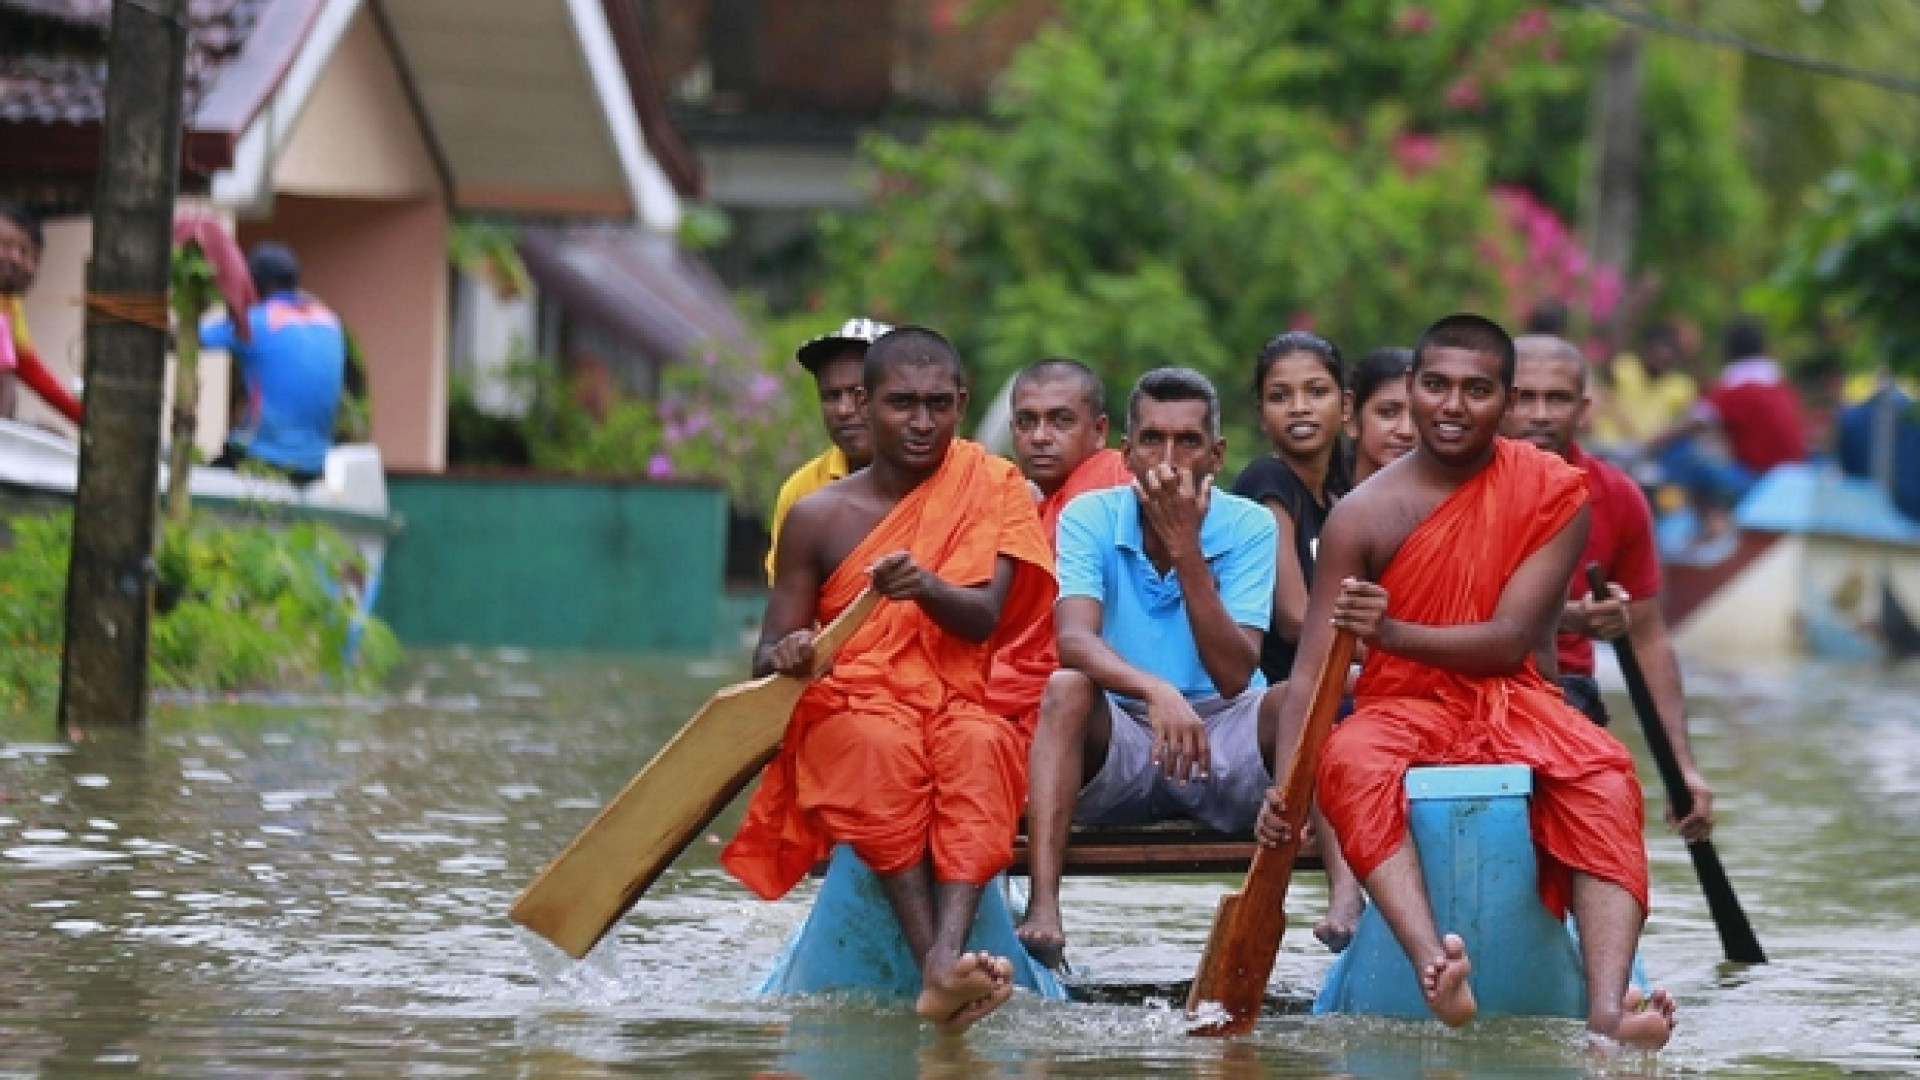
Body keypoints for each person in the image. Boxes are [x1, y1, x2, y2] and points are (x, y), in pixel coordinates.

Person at [1257, 314, 1676, 1049]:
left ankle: (1608, 1007)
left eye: (1477, 390)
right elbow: (1314, 667)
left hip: (1512, 697)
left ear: (1507, 403)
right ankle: (1432, 966)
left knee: (1607, 775)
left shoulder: (1554, 491)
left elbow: (1512, 638)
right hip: (1401, 705)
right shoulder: (1361, 515)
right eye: (1438, 386)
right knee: (1348, 760)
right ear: (1412, 390)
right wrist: (1286, 794)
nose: (1453, 406)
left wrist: (1387, 631)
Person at [723, 327, 1057, 1034]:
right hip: (855, 709)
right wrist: (790, 652)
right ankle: (935, 967)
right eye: (902, 404)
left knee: (979, 743)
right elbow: (765, 654)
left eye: (939, 404)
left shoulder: (991, 486)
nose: (923, 422)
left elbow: (983, 621)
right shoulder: (816, 516)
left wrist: (923, 586)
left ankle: (946, 953)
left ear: (962, 403)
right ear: (864, 406)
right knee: (876, 744)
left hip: (960, 699)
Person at [1017, 368, 1280, 969]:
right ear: (1126, 452)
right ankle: (1044, 908)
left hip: (1223, 732)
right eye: (1152, 441)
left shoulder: (1249, 524)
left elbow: (1237, 676)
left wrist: (1186, 547)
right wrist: (1154, 689)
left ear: (1216, 454)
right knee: (1064, 690)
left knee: (1296, 700)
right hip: (1128, 733)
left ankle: (1310, 908)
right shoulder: (1087, 516)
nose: (1169, 459)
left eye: (1187, 442)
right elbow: (1074, 642)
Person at [1504, 334, 1715, 842]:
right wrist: (1571, 617)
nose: (1538, 414)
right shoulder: (1453, 484)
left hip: (1568, 694)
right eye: (1522, 398)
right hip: (1463, 684)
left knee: (1609, 790)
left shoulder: (1618, 497)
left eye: (1555, 399)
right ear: (1497, 401)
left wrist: (1682, 769)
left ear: (1583, 410)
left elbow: (1646, 638)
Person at [1230, 332, 1364, 950]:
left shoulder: (1344, 499)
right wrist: (1381, 651)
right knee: (1330, 709)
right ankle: (1345, 894)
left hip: (1341, 678)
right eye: (1281, 396)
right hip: (1274, 702)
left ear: (1346, 404)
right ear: (1261, 413)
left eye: (1317, 391)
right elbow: (1291, 616)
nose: (1301, 407)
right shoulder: (1268, 481)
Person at [986, 359, 1132, 733]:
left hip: (1094, 690)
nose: (1040, 436)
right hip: (1017, 681)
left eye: (1060, 421)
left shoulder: (1113, 481)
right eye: (1026, 422)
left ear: (1099, 431)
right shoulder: (1016, 503)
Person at [201, 244, 345, 485]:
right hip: (315, 464)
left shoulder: (257, 322)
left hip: (261, 458)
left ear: (253, 283)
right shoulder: (329, 319)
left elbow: (184, 339)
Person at [763, 317, 894, 583]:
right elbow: (788, 607)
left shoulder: (947, 478)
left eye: (860, 394)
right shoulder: (803, 490)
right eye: (831, 396)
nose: (844, 410)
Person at [0, 202, 83, 425]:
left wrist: (84, 416)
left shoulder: (9, 304)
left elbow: (28, 368)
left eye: (24, 252)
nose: (20, 262)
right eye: (6, 245)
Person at [1590, 320, 1696, 450]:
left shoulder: (1682, 386)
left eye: (1666, 359)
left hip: (1645, 452)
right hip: (1605, 442)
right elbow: (1601, 394)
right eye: (1656, 355)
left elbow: (1685, 422)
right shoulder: (1625, 365)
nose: (1660, 361)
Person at [1835, 374, 1920, 522]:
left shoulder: (1852, 418)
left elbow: (1849, 472)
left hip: (1865, 512)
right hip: (1909, 515)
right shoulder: (1853, 419)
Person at [1347, 346, 1416, 485]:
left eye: (1418, 416)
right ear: (1351, 416)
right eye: (1388, 413)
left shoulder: (1454, 501)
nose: (1407, 431)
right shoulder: (1315, 501)